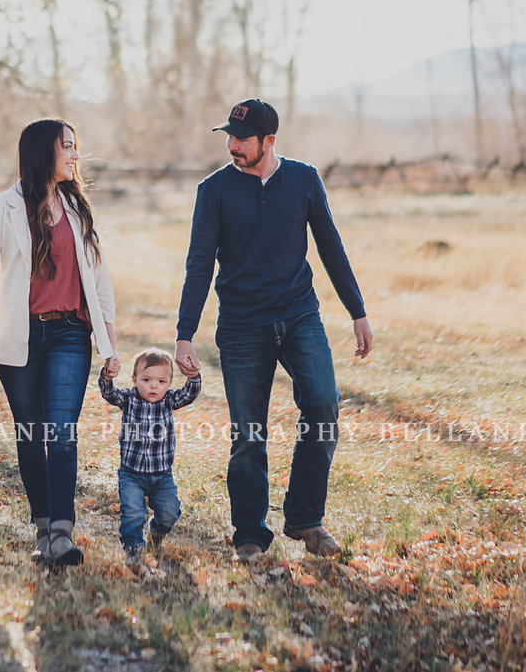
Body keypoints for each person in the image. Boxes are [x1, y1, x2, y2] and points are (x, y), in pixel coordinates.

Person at [174, 98, 374, 562]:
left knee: (324, 405)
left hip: (300, 315)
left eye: (241, 139)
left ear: (269, 141)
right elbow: (199, 263)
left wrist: (357, 310)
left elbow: (330, 246)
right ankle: (249, 532)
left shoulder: (303, 180)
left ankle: (305, 519)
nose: (232, 146)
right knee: (248, 433)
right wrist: (185, 332)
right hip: (242, 324)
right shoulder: (215, 190)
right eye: (229, 137)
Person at [0, 118, 120, 567]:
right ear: (43, 151)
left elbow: (98, 277)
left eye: (75, 147)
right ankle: (44, 527)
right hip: (20, 336)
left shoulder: (78, 207)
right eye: (67, 146)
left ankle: (63, 533)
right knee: (30, 434)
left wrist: (109, 341)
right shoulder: (3, 207)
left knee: (61, 433)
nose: (75, 155)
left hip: (69, 332)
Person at [98, 347, 202, 564]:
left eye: (161, 382)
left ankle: (156, 532)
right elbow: (109, 393)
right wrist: (107, 378)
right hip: (131, 473)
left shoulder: (168, 401)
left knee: (169, 513)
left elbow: (189, 394)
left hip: (162, 475)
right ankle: (133, 549)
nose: (154, 386)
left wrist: (192, 376)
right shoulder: (128, 398)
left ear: (169, 384)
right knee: (134, 512)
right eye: (147, 379)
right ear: (135, 380)